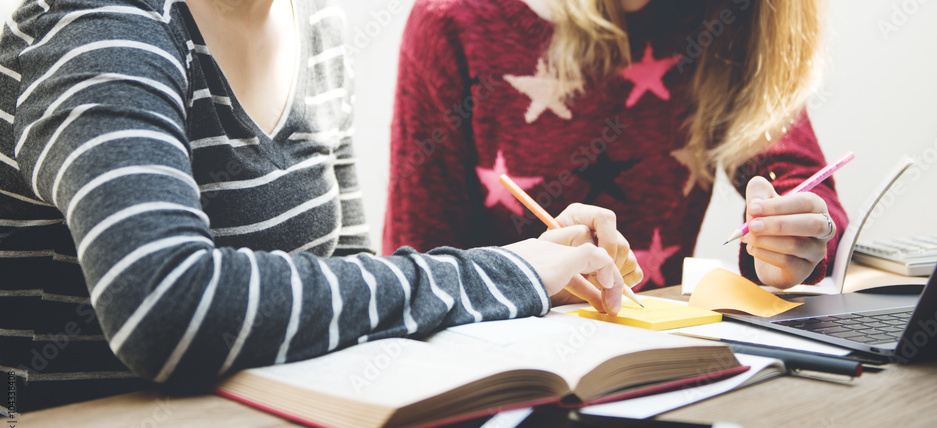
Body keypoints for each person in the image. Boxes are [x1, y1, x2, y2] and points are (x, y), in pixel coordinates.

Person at [0, 0, 638, 405]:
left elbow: (350, 281)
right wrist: (505, 275)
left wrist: (536, 273)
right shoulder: (102, 30)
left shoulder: (317, 29)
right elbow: (168, 308)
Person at [384, 0, 849, 291]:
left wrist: (789, 246)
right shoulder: (452, 24)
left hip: (660, 365)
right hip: (502, 375)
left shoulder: (723, 19)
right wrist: (530, 282)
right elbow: (416, 278)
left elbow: (800, 184)